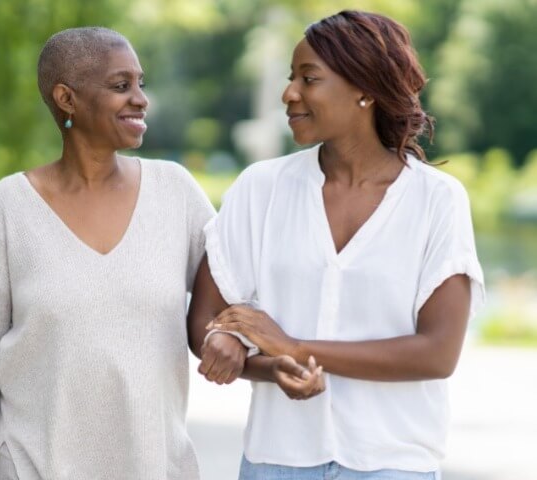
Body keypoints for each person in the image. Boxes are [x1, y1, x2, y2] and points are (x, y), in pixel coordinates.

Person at [187, 10, 484, 480]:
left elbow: (437, 352)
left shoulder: (437, 200)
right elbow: (205, 321)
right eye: (290, 78)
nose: (289, 94)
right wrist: (259, 358)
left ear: (365, 90)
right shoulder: (259, 188)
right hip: (276, 460)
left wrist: (295, 345)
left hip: (393, 463)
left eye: (309, 79)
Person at [0, 27, 213, 480]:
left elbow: (239, 287)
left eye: (141, 84)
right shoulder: (9, 208)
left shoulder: (176, 193)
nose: (141, 99)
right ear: (67, 98)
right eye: (120, 85)